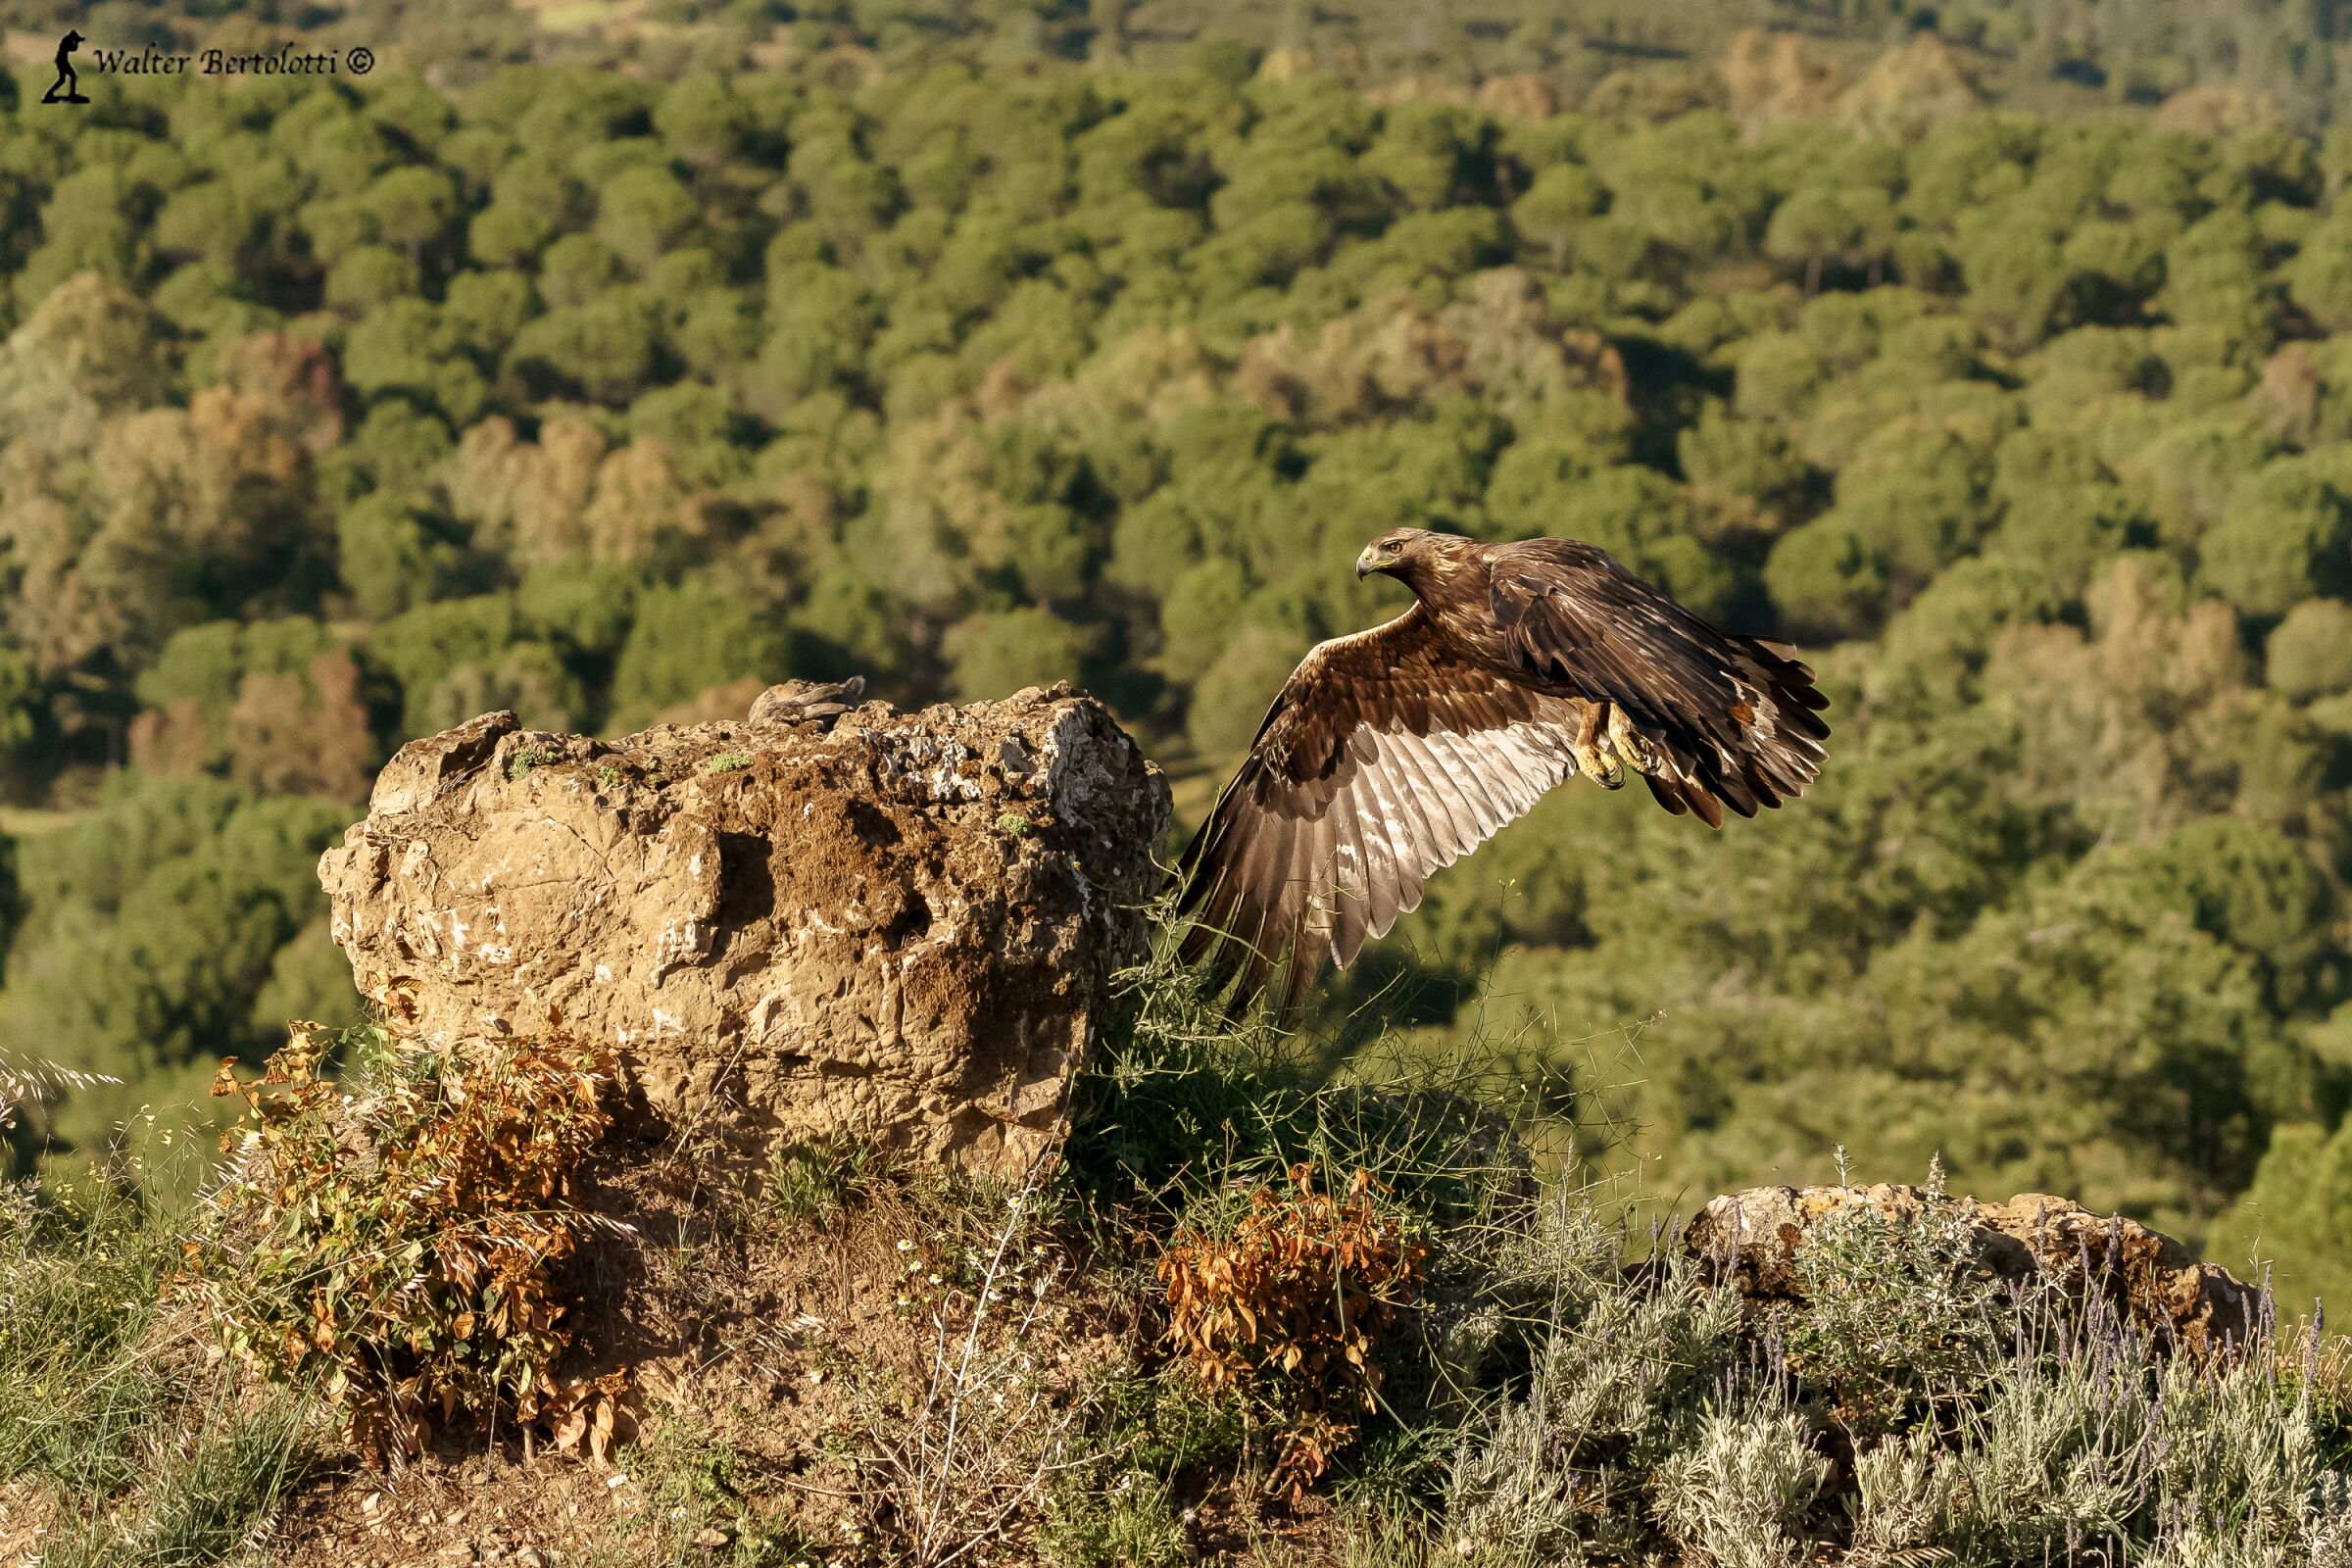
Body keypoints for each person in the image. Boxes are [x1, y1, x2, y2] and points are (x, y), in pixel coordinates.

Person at [43, 30, 89, 106]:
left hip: (62, 61)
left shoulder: (66, 40)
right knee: (72, 76)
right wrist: (76, 43)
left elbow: (73, 49)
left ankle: (49, 93)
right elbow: (72, 49)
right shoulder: (65, 41)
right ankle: (71, 94)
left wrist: (76, 42)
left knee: (62, 79)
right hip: (62, 61)